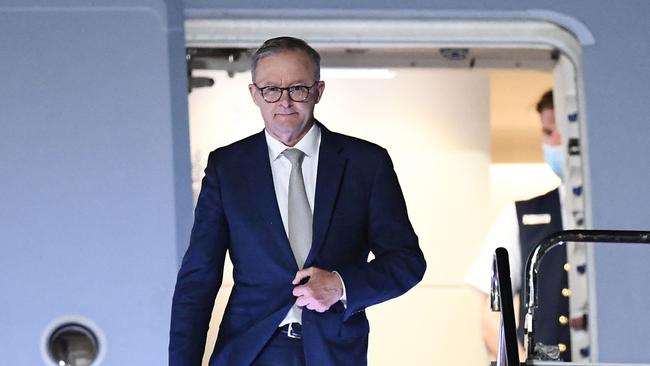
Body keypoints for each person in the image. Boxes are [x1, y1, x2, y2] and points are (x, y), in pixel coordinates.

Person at [169, 36, 426, 366]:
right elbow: (198, 280)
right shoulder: (228, 168)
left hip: (334, 352)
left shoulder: (367, 164)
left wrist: (341, 285)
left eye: (298, 89)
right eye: (271, 90)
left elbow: (407, 262)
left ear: (318, 91)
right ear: (254, 95)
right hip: (251, 352)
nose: (285, 101)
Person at [466, 90, 571, 361]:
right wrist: (521, 360)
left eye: (562, 131)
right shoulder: (519, 216)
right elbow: (491, 312)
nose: (555, 142)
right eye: (548, 133)